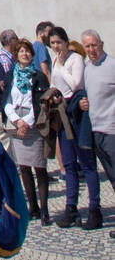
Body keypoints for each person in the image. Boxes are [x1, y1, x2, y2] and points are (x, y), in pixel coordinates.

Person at [49, 27, 101, 230]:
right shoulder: (55, 60)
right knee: (69, 163)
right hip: (62, 110)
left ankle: (94, 208)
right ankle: (71, 207)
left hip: (77, 110)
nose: (56, 47)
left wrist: (62, 66)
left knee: (87, 162)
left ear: (65, 42)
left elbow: (76, 83)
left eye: (58, 43)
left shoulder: (75, 59)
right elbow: (56, 84)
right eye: (52, 43)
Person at [3, 38, 50, 224]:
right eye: (21, 51)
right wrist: (16, 121)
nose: (25, 54)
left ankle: (45, 208)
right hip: (16, 123)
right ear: (16, 55)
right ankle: (33, 207)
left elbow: (41, 103)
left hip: (34, 123)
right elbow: (6, 101)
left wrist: (27, 123)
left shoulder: (39, 76)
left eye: (27, 51)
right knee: (24, 167)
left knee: (40, 167)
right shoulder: (10, 76)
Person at [80, 28, 115, 239]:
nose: (92, 49)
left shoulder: (111, 65)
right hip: (95, 129)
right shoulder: (87, 68)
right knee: (111, 177)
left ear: (101, 44)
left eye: (94, 45)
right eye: (88, 46)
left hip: (112, 129)